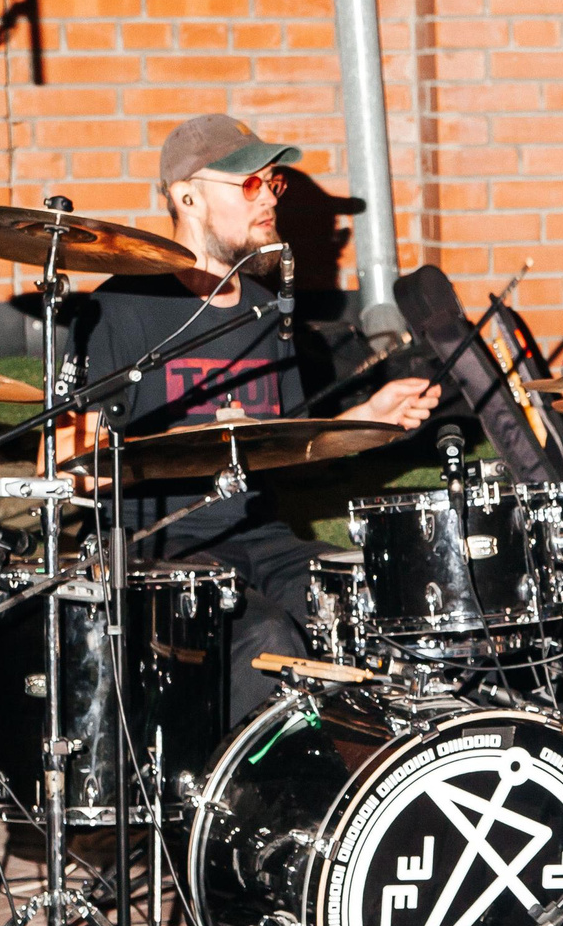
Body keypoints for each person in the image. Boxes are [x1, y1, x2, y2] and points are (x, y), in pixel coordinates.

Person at [71, 113, 438, 722]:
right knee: (268, 640)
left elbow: (281, 444)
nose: (269, 195)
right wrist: (187, 445)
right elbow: (68, 468)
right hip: (161, 546)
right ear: (186, 197)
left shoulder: (268, 311)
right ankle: (261, 810)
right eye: (248, 184)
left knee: (377, 604)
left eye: (274, 183)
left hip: (259, 541)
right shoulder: (121, 307)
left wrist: (368, 417)